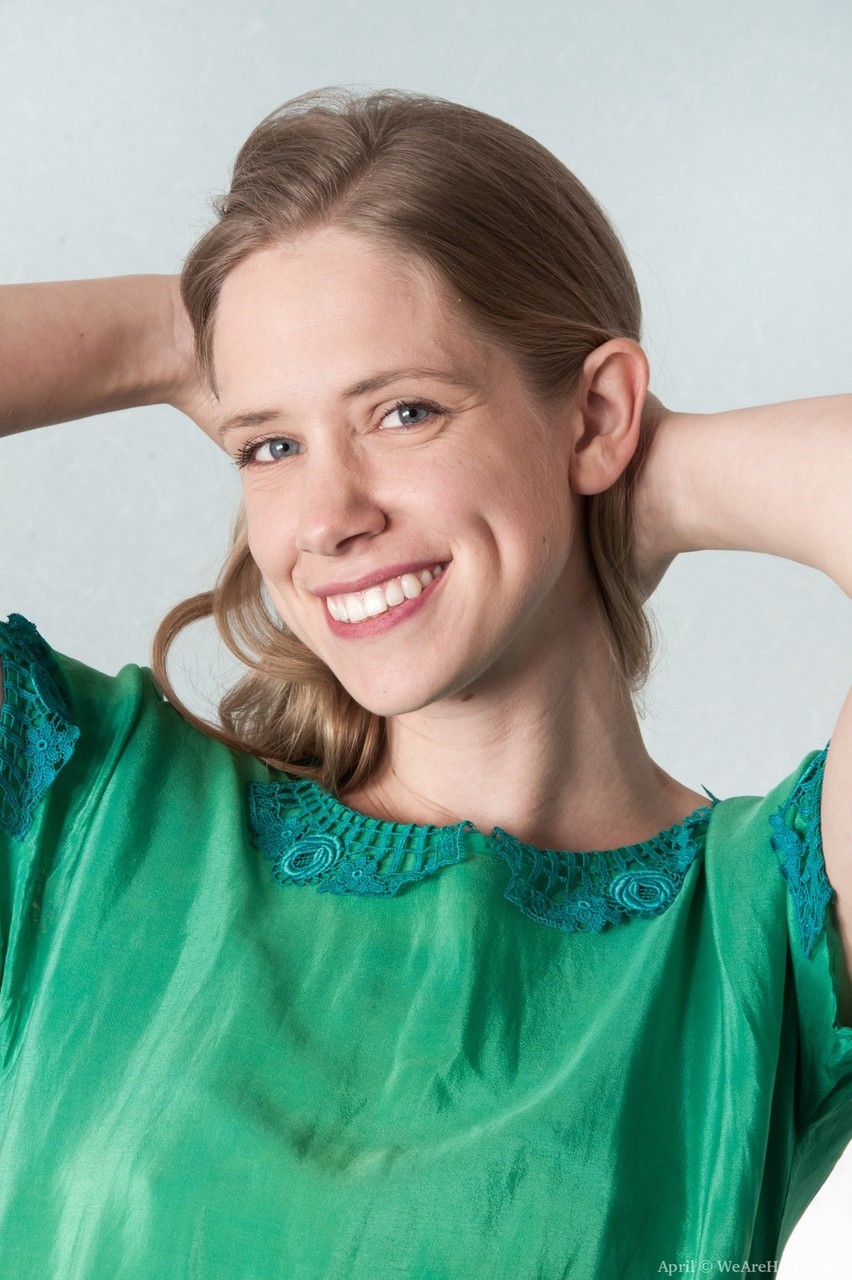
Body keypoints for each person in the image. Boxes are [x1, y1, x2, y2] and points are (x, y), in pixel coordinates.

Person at [1, 85, 850, 1278]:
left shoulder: (760, 934)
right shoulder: (89, 812)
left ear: (596, 411)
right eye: (271, 445)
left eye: (404, 411)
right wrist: (176, 333)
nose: (327, 517)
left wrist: (648, 479)